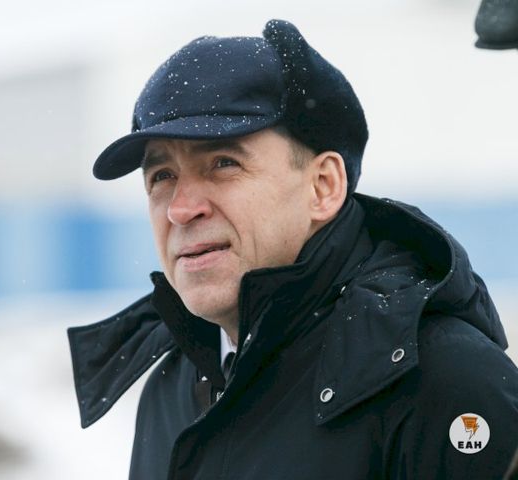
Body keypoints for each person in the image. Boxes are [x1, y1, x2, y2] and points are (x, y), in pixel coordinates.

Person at [68, 19, 518, 479]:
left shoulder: (442, 381)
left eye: (223, 163)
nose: (181, 209)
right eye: (162, 176)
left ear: (323, 187)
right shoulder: (172, 387)